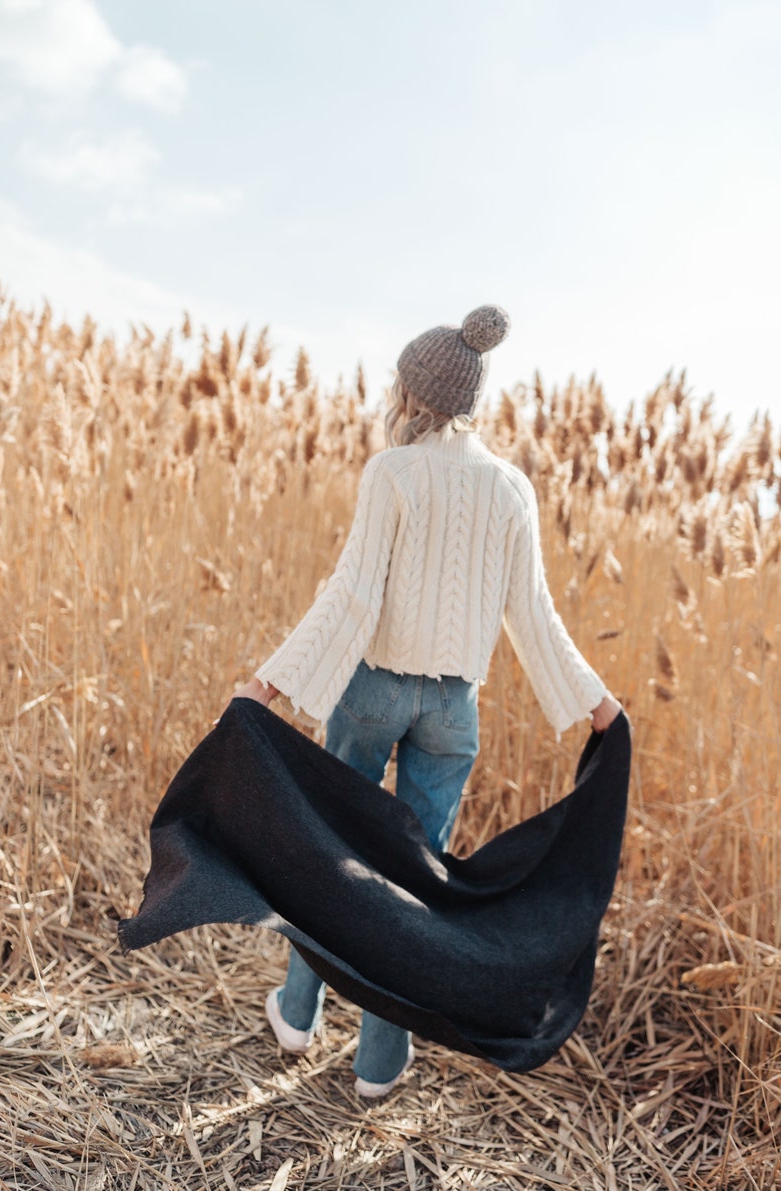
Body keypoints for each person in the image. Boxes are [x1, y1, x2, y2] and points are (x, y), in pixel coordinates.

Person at [232, 305, 622, 1098]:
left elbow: (350, 596)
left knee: (327, 852)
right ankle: (380, 1063)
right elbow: (534, 618)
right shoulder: (512, 490)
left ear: (412, 394)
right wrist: (597, 702)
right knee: (416, 884)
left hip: (373, 689)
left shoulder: (394, 471)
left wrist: (266, 682)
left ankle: (297, 1015)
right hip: (453, 712)